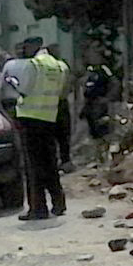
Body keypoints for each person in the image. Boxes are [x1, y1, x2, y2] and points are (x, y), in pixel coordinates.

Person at [15, 36, 71, 220]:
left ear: (34, 46)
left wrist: (13, 84)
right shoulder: (60, 66)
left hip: (30, 118)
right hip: (50, 117)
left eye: (26, 46)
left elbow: (25, 89)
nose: (24, 50)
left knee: (33, 167)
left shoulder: (34, 65)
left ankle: (38, 208)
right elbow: (62, 92)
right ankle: (58, 202)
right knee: (50, 163)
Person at [46, 44, 74, 173]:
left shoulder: (44, 67)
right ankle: (65, 160)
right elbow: (68, 85)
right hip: (61, 102)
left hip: (49, 103)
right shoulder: (63, 66)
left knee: (51, 134)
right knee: (63, 134)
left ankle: (54, 161)